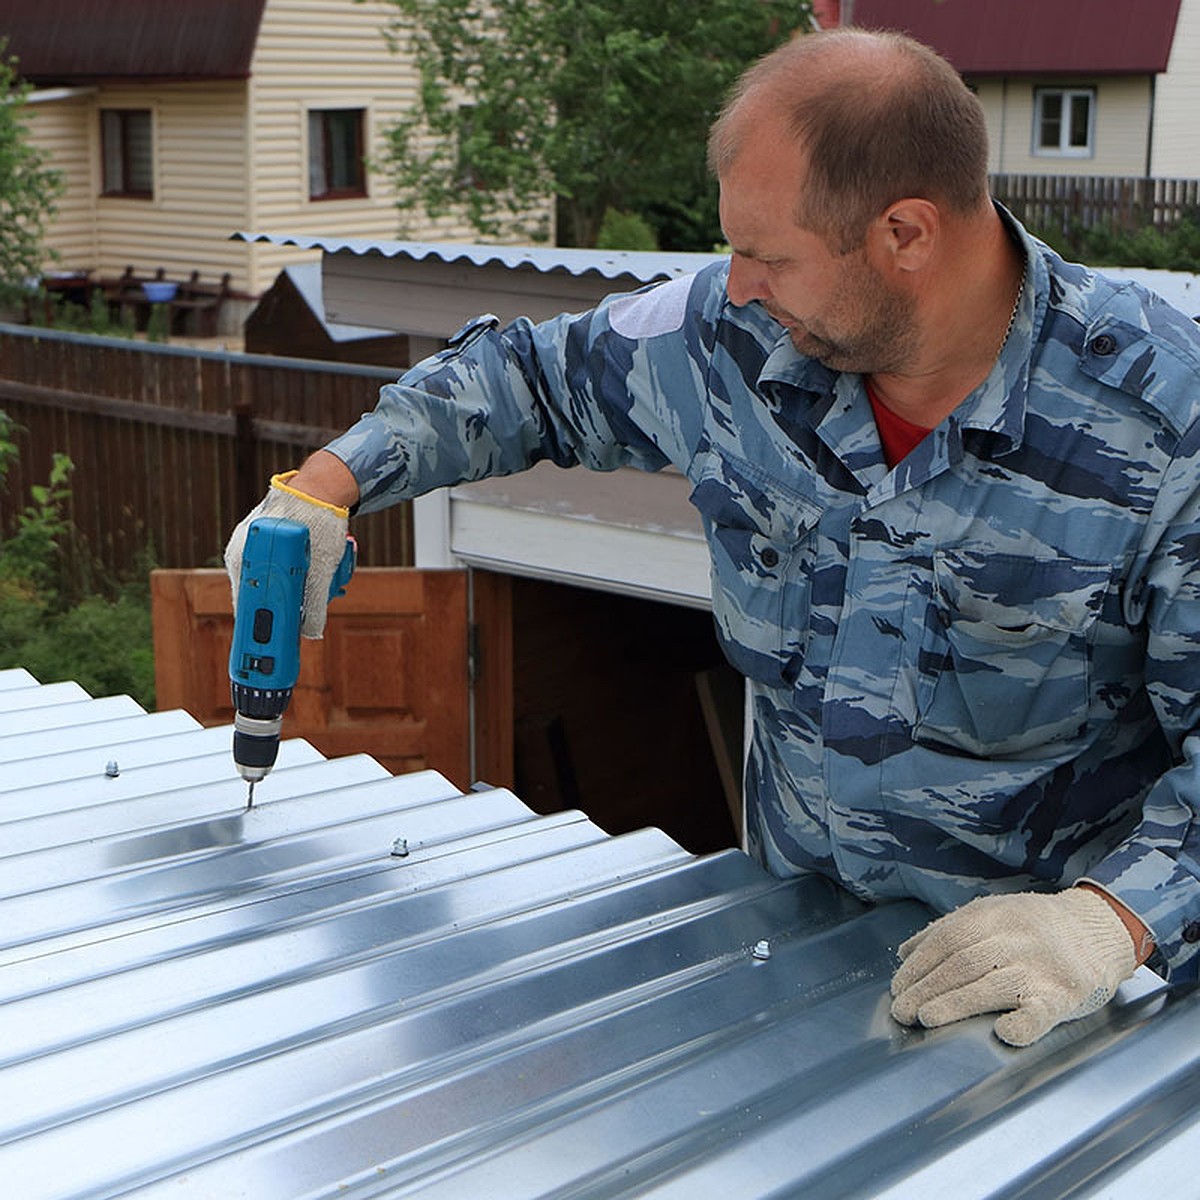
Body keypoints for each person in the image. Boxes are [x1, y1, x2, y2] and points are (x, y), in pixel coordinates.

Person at [226, 28, 1200, 1047]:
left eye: (766, 255)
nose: (736, 285)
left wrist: (1115, 920)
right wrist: (327, 486)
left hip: (1046, 1024)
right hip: (798, 975)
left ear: (906, 235)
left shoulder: (1164, 422)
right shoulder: (732, 339)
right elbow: (522, 380)